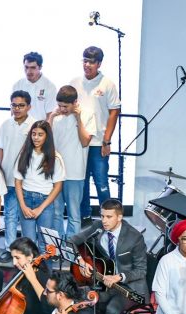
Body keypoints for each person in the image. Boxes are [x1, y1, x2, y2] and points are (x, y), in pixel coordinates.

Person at [70, 199, 148, 314]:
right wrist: (80, 260)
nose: (104, 220)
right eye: (102, 216)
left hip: (128, 287)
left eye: (109, 217)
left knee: (111, 310)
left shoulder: (135, 237)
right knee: (84, 302)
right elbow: (73, 241)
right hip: (103, 283)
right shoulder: (98, 226)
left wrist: (119, 276)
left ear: (120, 217)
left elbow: (141, 270)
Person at [70, 46, 120, 221]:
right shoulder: (75, 82)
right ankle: (84, 217)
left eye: (91, 62)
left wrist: (107, 141)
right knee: (81, 182)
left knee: (101, 182)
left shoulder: (107, 84)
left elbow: (114, 111)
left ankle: (109, 219)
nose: (87, 64)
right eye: (84, 60)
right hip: (79, 142)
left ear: (99, 63)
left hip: (99, 143)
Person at [49, 85, 95, 238]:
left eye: (65, 106)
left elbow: (85, 142)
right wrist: (50, 118)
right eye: (59, 105)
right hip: (56, 173)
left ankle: (72, 248)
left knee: (74, 214)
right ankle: (56, 248)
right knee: (56, 212)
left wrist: (78, 119)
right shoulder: (56, 117)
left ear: (75, 102)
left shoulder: (87, 115)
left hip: (75, 173)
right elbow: (45, 141)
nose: (62, 109)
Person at [14, 121, 65, 250]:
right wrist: (23, 206)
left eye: (40, 134)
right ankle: (31, 271)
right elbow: (18, 181)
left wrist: (41, 208)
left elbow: (58, 186)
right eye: (34, 134)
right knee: (28, 244)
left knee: (45, 244)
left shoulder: (55, 157)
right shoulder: (24, 154)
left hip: (45, 202)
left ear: (47, 136)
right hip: (26, 199)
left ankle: (45, 271)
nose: (36, 137)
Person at [0, 90, 37, 257]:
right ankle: (10, 249)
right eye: (14, 105)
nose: (17, 108)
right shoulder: (5, 125)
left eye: (21, 105)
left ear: (29, 106)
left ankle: (28, 252)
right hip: (7, 178)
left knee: (28, 218)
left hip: (28, 181)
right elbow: (0, 150)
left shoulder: (35, 126)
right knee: (10, 216)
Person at [12, 52, 57, 122]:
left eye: (33, 68)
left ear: (40, 67)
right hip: (20, 129)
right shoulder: (17, 85)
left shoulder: (50, 87)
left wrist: (41, 131)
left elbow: (50, 115)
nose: (29, 71)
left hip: (40, 130)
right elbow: (13, 111)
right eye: (26, 67)